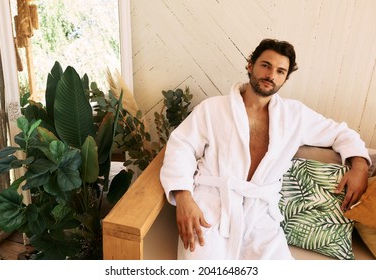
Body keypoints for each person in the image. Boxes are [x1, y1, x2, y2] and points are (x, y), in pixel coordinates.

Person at [159, 38, 371, 260]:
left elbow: (341, 133)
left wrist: (360, 166)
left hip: (260, 217)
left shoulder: (294, 116)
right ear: (250, 65)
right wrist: (183, 198)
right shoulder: (212, 109)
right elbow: (180, 146)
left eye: (280, 71)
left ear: (285, 78)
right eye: (266, 65)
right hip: (209, 210)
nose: (271, 75)